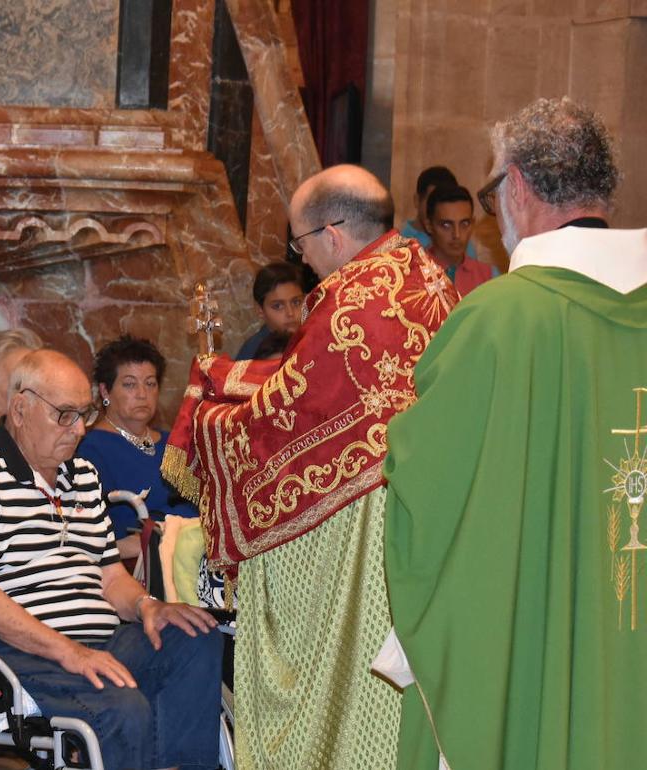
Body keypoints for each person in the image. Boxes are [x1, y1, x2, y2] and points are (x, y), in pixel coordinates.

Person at [381, 97, 646, 770]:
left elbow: (430, 486)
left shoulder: (496, 322)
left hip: (536, 645)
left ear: (519, 187)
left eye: (494, 188)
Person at [165, 164, 457, 769]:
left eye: (300, 247)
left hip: (362, 526)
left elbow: (288, 415)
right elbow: (323, 386)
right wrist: (230, 378)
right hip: (426, 511)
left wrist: (207, 418)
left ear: (332, 234)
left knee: (346, 677)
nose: (304, 263)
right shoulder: (421, 272)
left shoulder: (353, 299)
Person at [0, 349, 222, 770]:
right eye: (64, 414)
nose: (79, 429)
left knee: (196, 637)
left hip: (99, 640)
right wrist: (69, 652)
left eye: (84, 413)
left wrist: (148, 606)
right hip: (12, 650)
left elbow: (110, 579)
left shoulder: (82, 474)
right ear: (20, 408)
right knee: (121, 708)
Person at [77, 336, 197, 560]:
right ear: (105, 391)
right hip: (141, 569)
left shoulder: (174, 441)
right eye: (130, 384)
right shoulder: (90, 449)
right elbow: (93, 537)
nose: (142, 394)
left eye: (150, 383)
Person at [426, 182, 498, 297]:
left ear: (473, 223)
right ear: (429, 225)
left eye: (464, 223)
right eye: (446, 225)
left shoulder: (488, 276)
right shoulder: (412, 272)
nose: (457, 234)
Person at [234, 262, 305, 360]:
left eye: (296, 302)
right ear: (260, 310)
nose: (290, 313)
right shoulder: (251, 353)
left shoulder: (316, 339)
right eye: (278, 306)